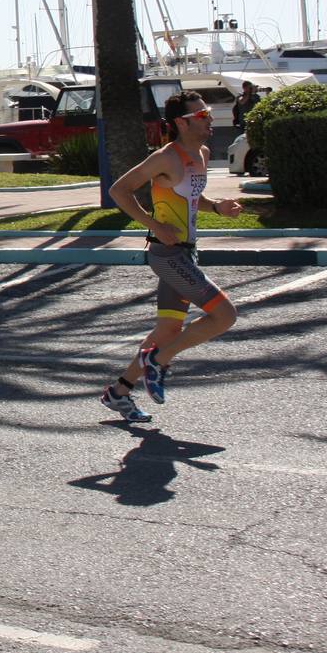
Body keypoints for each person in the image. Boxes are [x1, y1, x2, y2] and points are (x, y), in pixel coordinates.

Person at [100, 91, 242, 422]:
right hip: (167, 255)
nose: (209, 120)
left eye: (208, 114)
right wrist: (153, 225)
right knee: (225, 316)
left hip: (185, 253)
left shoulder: (202, 153)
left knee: (166, 329)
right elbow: (119, 190)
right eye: (202, 116)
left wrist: (218, 207)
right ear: (182, 122)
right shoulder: (166, 157)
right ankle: (158, 360)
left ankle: (119, 392)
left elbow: (192, 195)